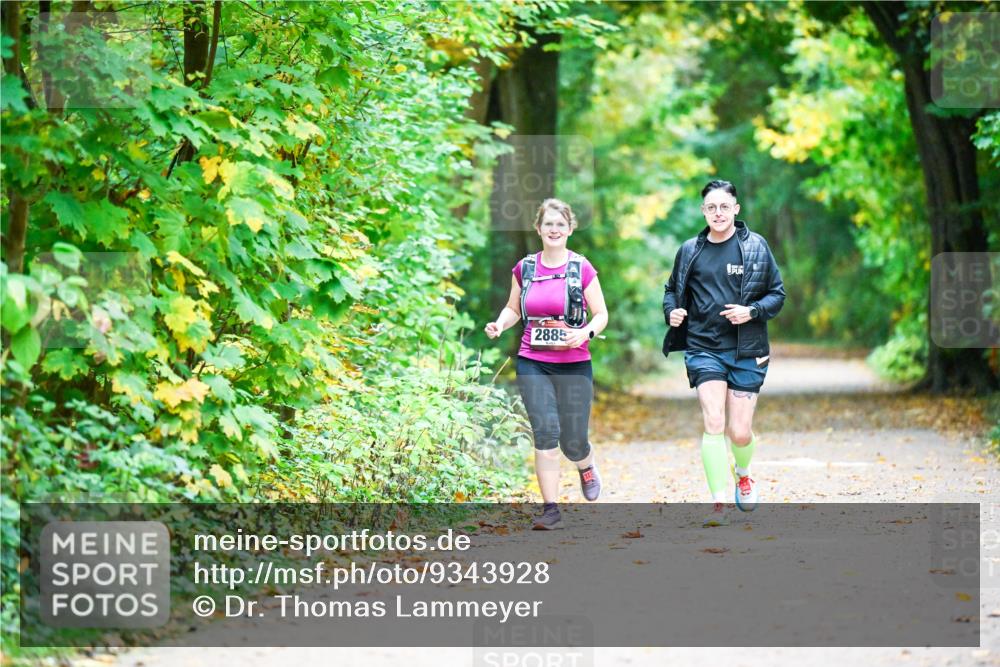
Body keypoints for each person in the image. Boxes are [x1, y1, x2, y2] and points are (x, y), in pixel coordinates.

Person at [662, 180, 785, 526]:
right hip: (704, 348)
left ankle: (742, 473)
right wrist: (671, 312)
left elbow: (777, 294)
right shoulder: (690, 250)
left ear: (736, 209)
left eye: (724, 207)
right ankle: (719, 502)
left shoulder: (756, 247)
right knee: (714, 421)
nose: (718, 213)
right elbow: (671, 290)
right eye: (711, 207)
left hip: (747, 349)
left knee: (739, 432)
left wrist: (752, 312)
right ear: (703, 211)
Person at [485, 198, 609, 530]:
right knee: (545, 431)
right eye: (548, 224)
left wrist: (585, 334)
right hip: (533, 360)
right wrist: (500, 323)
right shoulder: (525, 268)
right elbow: (513, 308)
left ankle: (585, 464)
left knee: (573, 439)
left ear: (570, 229)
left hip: (574, 362)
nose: (554, 229)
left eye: (560, 224)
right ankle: (550, 509)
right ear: (538, 229)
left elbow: (601, 315)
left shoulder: (581, 267)